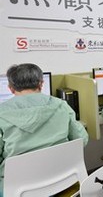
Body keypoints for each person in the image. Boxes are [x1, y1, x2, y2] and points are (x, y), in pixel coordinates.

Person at [0, 63, 89, 196]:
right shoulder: (62, 106)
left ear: (11, 88)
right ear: (41, 84)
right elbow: (82, 140)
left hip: (18, 189)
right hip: (63, 179)